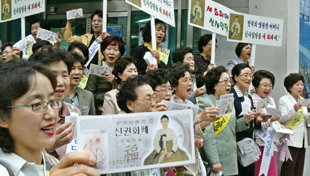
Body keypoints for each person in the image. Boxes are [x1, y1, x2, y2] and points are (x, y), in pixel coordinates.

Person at [0, 59, 99, 176]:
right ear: (3, 117)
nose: (51, 114)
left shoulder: (54, 164)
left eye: (52, 102)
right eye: (36, 104)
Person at [198, 66, 251, 175]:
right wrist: (214, 161)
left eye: (229, 81)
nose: (229, 84)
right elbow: (207, 135)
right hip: (217, 158)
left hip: (231, 158)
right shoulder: (206, 103)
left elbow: (233, 128)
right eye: (225, 81)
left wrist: (245, 120)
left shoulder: (228, 101)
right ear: (214, 85)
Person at [169, 64, 219, 175]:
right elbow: (175, 130)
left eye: (190, 80)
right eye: (184, 80)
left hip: (192, 158)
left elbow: (194, 128)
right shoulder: (171, 105)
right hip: (178, 161)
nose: (189, 83)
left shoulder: (190, 104)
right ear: (174, 86)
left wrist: (209, 119)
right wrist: (201, 117)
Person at [29, 48, 79, 159]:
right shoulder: (30, 113)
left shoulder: (74, 111)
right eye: (53, 76)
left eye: (65, 75)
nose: (60, 82)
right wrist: (50, 147)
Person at [230, 63, 261, 176]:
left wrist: (257, 117)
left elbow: (251, 119)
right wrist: (245, 119)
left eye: (250, 75)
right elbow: (229, 122)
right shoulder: (230, 96)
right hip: (236, 145)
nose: (248, 78)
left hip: (248, 144)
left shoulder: (248, 97)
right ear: (236, 77)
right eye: (245, 75)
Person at [279, 73, 309, 176]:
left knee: (299, 169)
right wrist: (294, 109)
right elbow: (282, 118)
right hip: (291, 139)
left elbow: (304, 118)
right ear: (289, 87)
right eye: (297, 84)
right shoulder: (284, 100)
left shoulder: (302, 100)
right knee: (289, 168)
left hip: (302, 139)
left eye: (301, 84)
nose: (301, 87)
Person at [85, 35, 125, 114]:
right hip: (100, 110)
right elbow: (89, 93)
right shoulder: (97, 70)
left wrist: (115, 83)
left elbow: (128, 91)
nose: (111, 53)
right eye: (108, 49)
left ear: (120, 53)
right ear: (103, 51)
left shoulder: (123, 70)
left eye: (115, 50)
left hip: (121, 110)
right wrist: (108, 97)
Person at [251, 70, 280, 176]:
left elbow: (273, 120)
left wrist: (277, 124)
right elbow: (255, 123)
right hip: (258, 144)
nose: (268, 88)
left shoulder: (271, 100)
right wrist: (270, 120)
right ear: (256, 85)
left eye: (270, 85)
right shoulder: (251, 99)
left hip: (270, 143)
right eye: (264, 85)